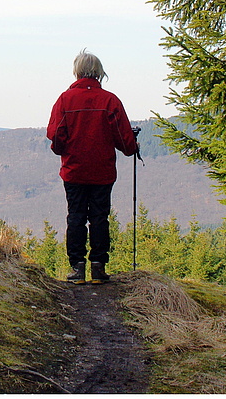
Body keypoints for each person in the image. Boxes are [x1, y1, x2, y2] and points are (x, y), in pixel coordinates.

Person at [47, 49, 138, 284]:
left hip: (74, 170)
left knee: (75, 217)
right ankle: (98, 267)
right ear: (99, 73)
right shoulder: (110, 101)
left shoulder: (65, 100)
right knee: (100, 217)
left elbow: (56, 136)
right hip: (102, 171)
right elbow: (125, 140)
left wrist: (62, 150)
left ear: (77, 72)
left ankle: (77, 269)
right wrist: (133, 147)